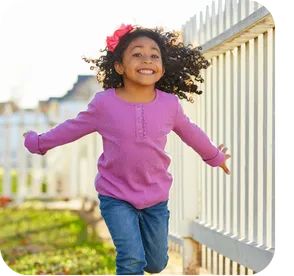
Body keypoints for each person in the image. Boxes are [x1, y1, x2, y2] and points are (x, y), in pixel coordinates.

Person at [24, 24, 231, 276]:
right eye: (137, 54)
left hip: (156, 197)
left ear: (163, 67)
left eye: (154, 55)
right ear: (119, 66)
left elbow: (191, 132)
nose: (147, 59)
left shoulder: (169, 105)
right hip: (116, 195)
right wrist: (39, 142)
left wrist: (214, 156)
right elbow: (72, 128)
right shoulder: (104, 104)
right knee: (131, 260)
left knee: (155, 263)